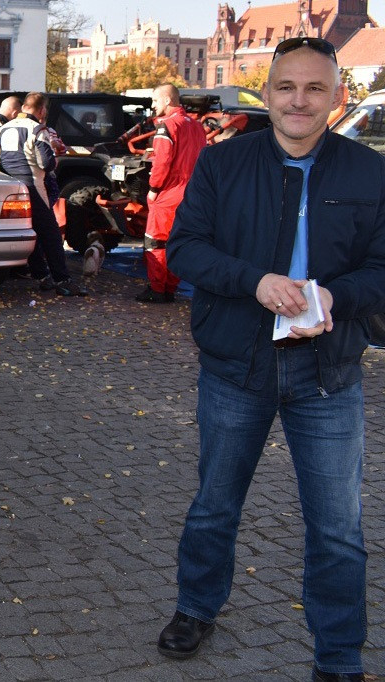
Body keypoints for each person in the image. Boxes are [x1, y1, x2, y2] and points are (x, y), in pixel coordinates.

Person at [159, 37, 385, 682]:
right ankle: (196, 606)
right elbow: (186, 250)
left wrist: (335, 295)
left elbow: (384, 268)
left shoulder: (369, 173)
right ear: (267, 93)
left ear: (338, 98)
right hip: (237, 364)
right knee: (214, 505)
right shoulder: (223, 164)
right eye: (287, 86)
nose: (299, 100)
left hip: (329, 374)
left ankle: (339, 657)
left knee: (338, 529)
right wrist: (254, 281)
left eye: (316, 88)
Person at [0, 92, 87, 296]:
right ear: (42, 110)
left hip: (11, 189)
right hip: (34, 187)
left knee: (29, 231)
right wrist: (53, 157)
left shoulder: (3, 129)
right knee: (50, 234)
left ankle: (42, 276)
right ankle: (62, 280)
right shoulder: (37, 129)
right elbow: (46, 163)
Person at [136, 83, 206, 303]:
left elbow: (162, 162)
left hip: (169, 192)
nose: (153, 105)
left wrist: (154, 189)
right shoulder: (196, 127)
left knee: (156, 241)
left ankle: (157, 289)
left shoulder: (167, 126)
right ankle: (169, 289)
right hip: (192, 192)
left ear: (167, 100)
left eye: (155, 100)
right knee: (177, 241)